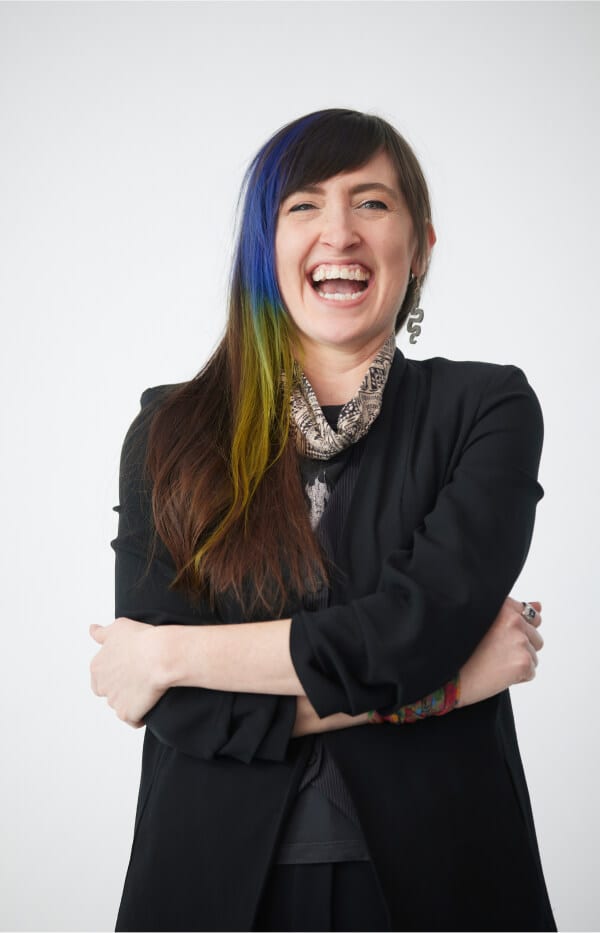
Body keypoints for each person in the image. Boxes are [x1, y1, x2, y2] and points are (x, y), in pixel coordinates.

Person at [90, 109, 556, 932]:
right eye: (303, 205)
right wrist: (444, 687)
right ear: (263, 250)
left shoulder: (488, 407)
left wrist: (167, 651)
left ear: (422, 246)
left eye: (372, 203)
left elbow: (413, 633)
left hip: (445, 878)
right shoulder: (170, 431)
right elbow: (181, 710)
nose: (338, 231)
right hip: (208, 884)